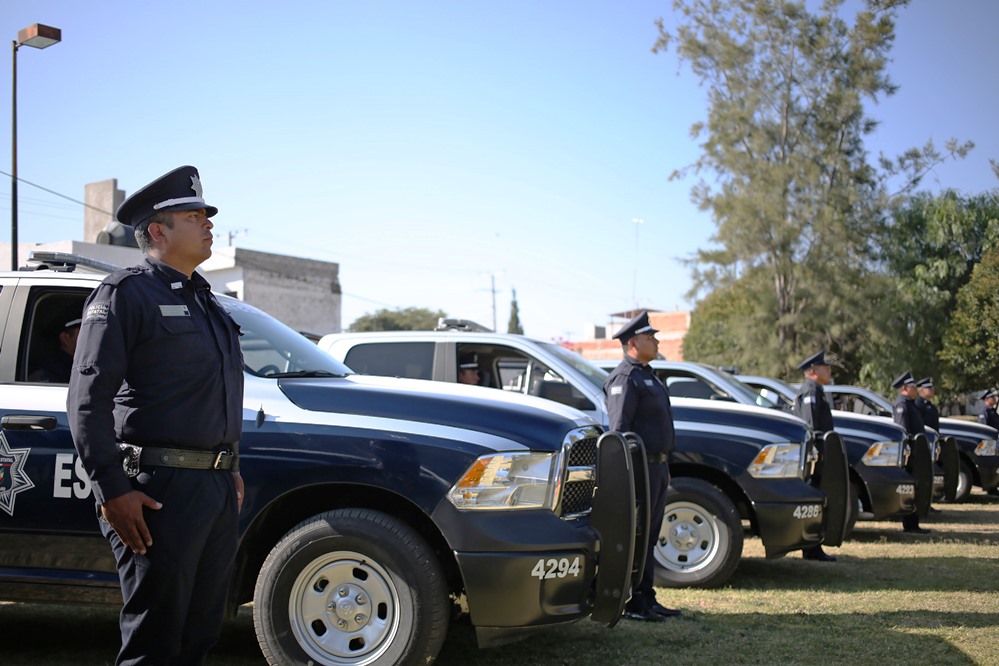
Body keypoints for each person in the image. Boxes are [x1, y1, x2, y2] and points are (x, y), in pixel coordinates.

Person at [67, 165, 245, 665]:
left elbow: (212, 396)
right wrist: (112, 490)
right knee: (156, 640)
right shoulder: (126, 294)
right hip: (156, 488)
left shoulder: (210, 303)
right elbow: (87, 399)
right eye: (194, 215)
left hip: (212, 489)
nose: (208, 222)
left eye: (207, 214)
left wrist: (229, 468)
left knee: (200, 635)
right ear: (159, 231)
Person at [604, 311, 680, 622]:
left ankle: (647, 596)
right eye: (651, 337)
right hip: (641, 470)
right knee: (639, 535)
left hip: (657, 468)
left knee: (650, 535)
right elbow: (620, 432)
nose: (657, 341)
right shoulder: (625, 378)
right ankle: (633, 600)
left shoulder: (648, 374)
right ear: (633, 343)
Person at [792, 350, 837, 562]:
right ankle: (811, 548)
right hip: (815, 454)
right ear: (812, 371)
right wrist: (816, 452)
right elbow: (810, 425)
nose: (828, 370)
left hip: (818, 452)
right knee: (815, 498)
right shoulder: (811, 391)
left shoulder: (817, 390)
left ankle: (813, 546)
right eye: (824, 367)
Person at [892, 370, 930, 534]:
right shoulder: (902, 404)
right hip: (910, 453)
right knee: (911, 488)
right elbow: (903, 431)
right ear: (905, 388)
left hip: (916, 452)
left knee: (917, 487)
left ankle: (914, 523)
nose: (916, 389)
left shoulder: (910, 403)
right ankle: (909, 524)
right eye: (913, 386)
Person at [29, 309, 82, 383]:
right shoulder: (52, 372)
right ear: (65, 338)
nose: (90, 337)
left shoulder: (81, 363)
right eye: (83, 332)